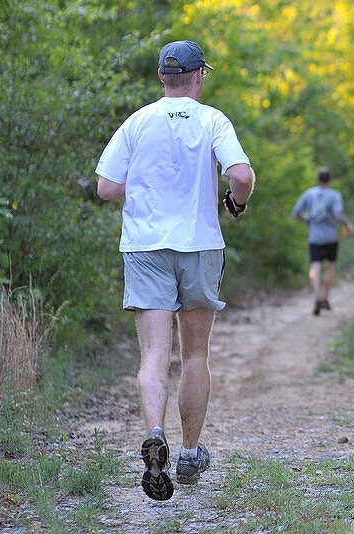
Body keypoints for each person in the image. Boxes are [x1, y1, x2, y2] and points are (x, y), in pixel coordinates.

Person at [96, 39, 255, 501]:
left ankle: (154, 433)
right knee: (193, 356)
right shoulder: (212, 120)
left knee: (152, 355)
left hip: (145, 246)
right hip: (200, 245)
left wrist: (146, 189)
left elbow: (106, 187)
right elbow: (241, 176)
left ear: (162, 77)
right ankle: (188, 454)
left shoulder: (138, 121)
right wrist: (235, 205)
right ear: (199, 76)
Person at [291, 166, 354, 315]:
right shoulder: (334, 195)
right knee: (330, 266)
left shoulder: (309, 194)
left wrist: (306, 220)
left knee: (315, 266)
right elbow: (338, 215)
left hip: (315, 237)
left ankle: (317, 294)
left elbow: (296, 213)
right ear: (330, 179)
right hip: (331, 236)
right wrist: (348, 226)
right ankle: (325, 297)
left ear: (317, 179)